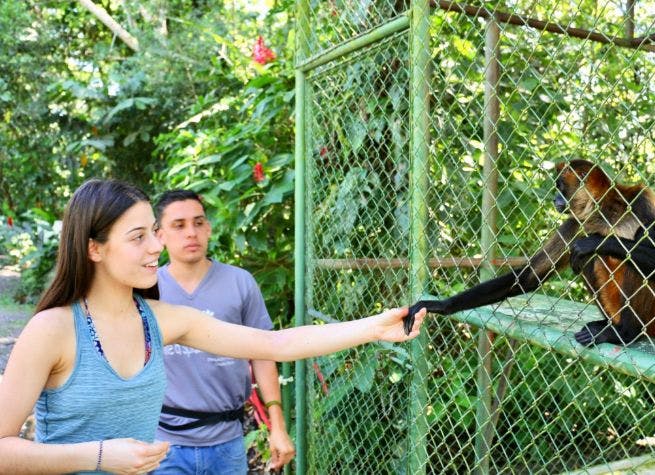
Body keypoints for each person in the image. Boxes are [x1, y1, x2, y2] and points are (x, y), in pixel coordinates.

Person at [0, 178, 426, 474]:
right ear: (94, 248)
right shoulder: (52, 330)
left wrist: (374, 327)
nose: (155, 246)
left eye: (153, 231)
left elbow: (273, 343)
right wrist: (96, 457)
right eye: (138, 237)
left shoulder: (161, 321)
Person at [152, 189, 294, 474]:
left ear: (209, 227)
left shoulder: (240, 283)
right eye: (178, 225)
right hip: (163, 444)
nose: (191, 232)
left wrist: (276, 425)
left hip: (228, 443)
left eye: (198, 222)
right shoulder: (146, 288)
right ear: (159, 235)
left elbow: (264, 352)